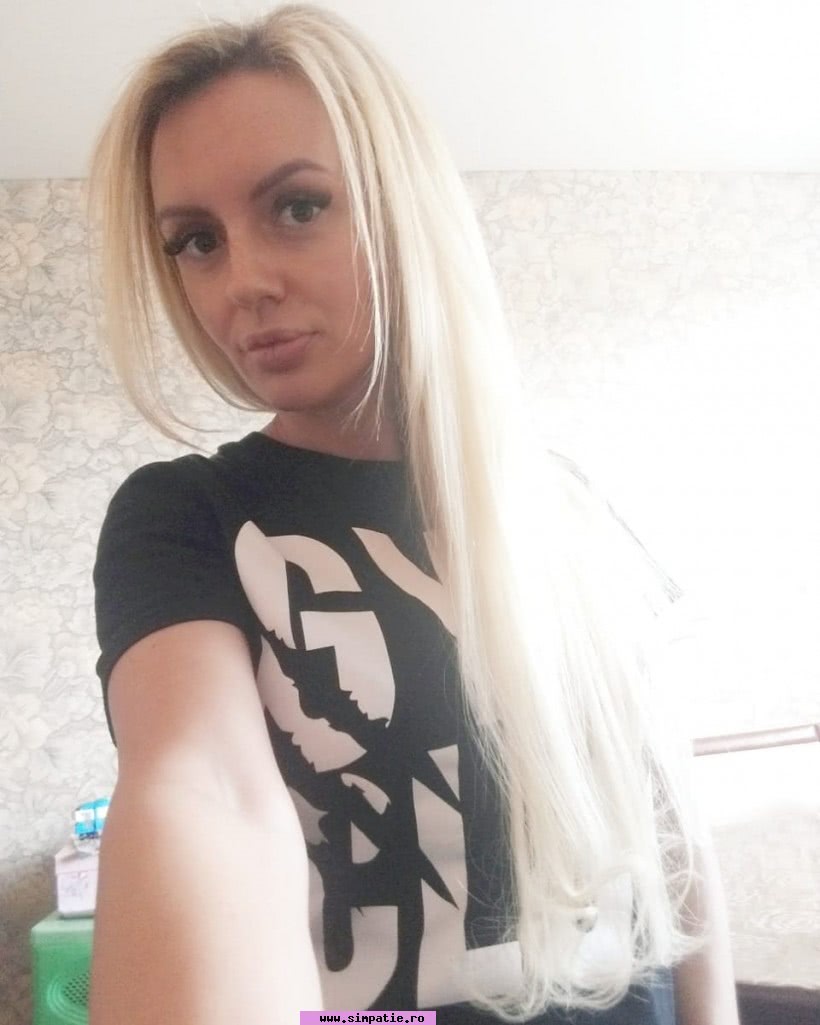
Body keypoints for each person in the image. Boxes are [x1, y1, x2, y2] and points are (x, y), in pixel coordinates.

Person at [88, 5, 739, 1024]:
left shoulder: (568, 505)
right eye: (197, 241)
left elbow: (671, 828)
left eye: (297, 206)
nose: (242, 282)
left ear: (404, 206)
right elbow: (204, 790)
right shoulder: (187, 518)